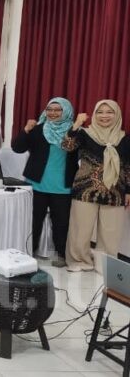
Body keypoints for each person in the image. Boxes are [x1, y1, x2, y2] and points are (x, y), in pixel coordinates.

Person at [61, 100, 130, 272]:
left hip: (115, 190)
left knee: (110, 233)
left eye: (109, 112)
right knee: (80, 230)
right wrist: (76, 124)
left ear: (117, 115)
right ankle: (79, 261)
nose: (104, 116)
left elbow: (128, 166)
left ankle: (104, 265)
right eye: (100, 112)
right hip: (85, 189)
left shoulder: (124, 138)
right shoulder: (85, 134)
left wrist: (128, 191)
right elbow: (67, 146)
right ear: (94, 114)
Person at [12, 98, 77, 266]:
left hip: (63, 186)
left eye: (58, 110)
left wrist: (76, 128)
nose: (53, 113)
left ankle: (62, 255)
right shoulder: (39, 129)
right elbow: (18, 148)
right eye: (50, 109)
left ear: (66, 111)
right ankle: (29, 252)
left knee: (61, 223)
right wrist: (26, 129)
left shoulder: (74, 131)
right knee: (33, 221)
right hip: (36, 183)